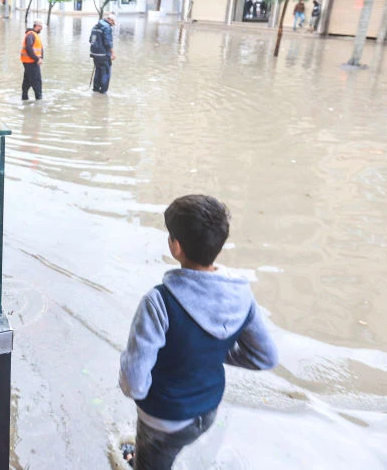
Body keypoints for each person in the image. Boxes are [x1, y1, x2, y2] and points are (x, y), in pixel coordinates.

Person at [119, 195, 278, 469]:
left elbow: (134, 384)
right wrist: (212, 352)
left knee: (153, 459)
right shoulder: (241, 296)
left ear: (175, 246)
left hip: (164, 420)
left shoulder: (158, 302)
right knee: (169, 448)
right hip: (207, 410)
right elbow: (265, 357)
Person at [90, 14, 116, 94]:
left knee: (98, 71)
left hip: (94, 54)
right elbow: (108, 42)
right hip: (103, 54)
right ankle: (103, 92)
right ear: (110, 20)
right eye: (113, 23)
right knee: (106, 72)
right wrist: (113, 53)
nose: (112, 25)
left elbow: (90, 40)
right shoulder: (107, 27)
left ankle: (95, 89)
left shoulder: (95, 26)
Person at [21, 20, 44, 101]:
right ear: (37, 26)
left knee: (27, 81)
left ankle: (24, 98)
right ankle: (39, 101)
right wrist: (37, 59)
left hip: (30, 62)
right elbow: (29, 48)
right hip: (31, 62)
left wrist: (41, 58)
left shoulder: (34, 34)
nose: (42, 29)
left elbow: (39, 48)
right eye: (41, 27)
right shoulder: (31, 34)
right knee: (37, 82)